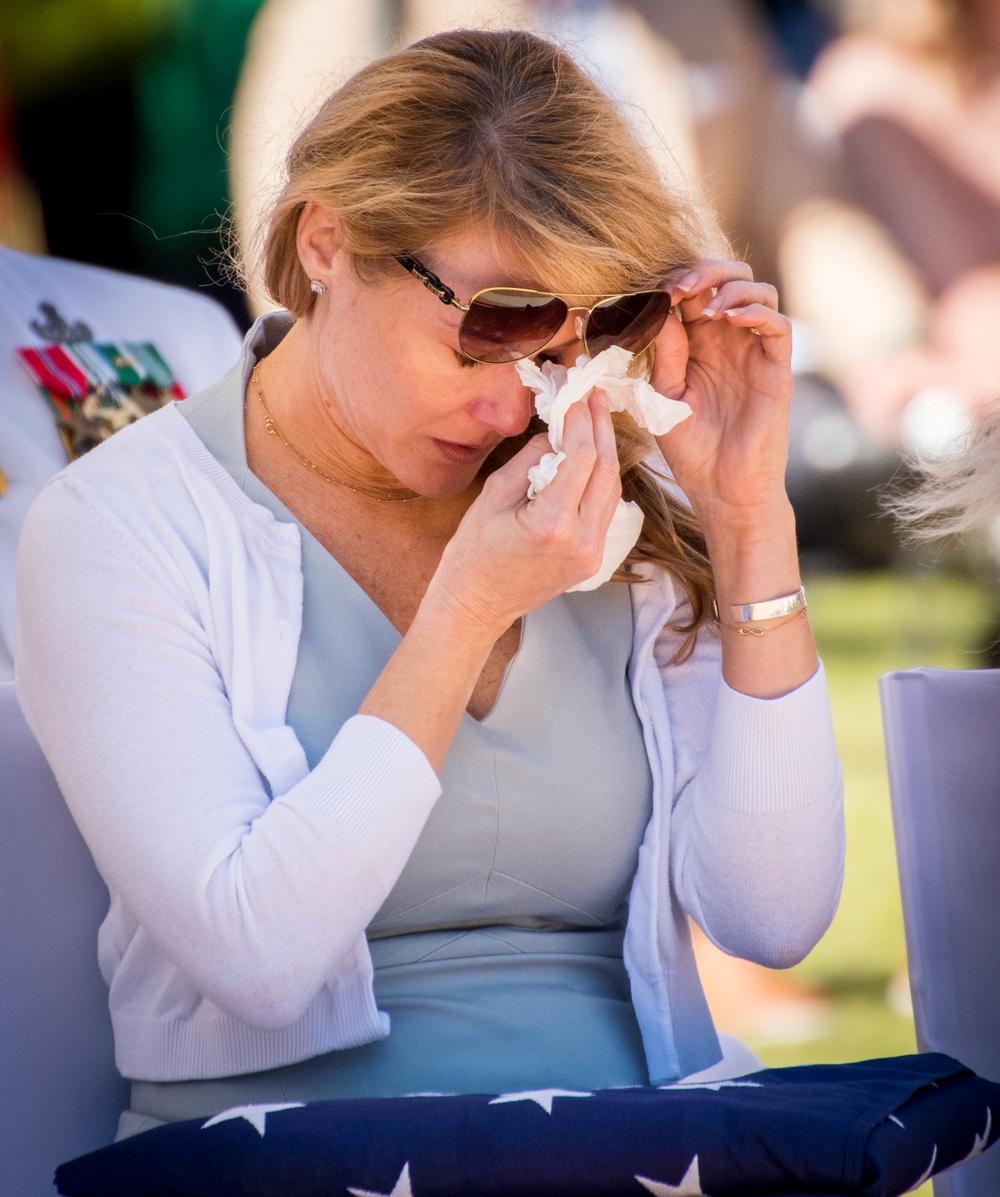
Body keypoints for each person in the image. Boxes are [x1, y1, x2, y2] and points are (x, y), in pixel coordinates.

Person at [14, 29, 844, 1140]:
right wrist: (464, 611)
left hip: (639, 1146)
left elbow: (773, 917)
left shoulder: (604, 496)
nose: (516, 407)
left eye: (570, 341)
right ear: (326, 243)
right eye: (483, 334)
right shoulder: (122, 521)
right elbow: (253, 958)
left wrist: (747, 519)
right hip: (292, 1158)